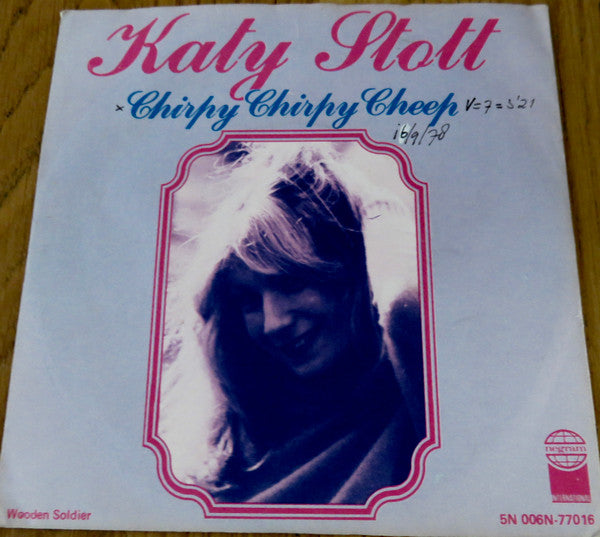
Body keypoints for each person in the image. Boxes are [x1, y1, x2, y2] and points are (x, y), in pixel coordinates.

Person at [165, 141, 424, 504]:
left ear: (354, 273)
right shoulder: (233, 440)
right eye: (248, 300)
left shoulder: (413, 396)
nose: (272, 324)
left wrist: (371, 205)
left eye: (290, 283)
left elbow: (404, 304)